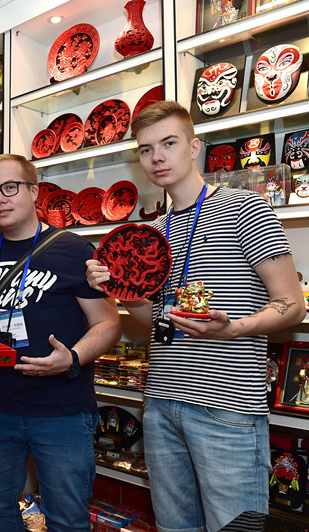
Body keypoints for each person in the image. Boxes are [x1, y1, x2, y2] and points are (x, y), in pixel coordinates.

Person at [86, 101, 306, 531]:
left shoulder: (245, 208)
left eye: (169, 143)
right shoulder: (156, 232)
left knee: (233, 527)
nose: (157, 158)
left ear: (194, 147)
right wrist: (122, 290)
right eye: (146, 150)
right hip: (163, 403)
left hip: (227, 409)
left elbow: (292, 303)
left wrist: (233, 328)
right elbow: (158, 323)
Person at [0, 153, 121, 531]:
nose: (0, 198)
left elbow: (109, 324)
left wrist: (73, 358)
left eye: (10, 187)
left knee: (67, 518)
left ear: (33, 191)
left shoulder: (74, 250)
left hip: (62, 409)